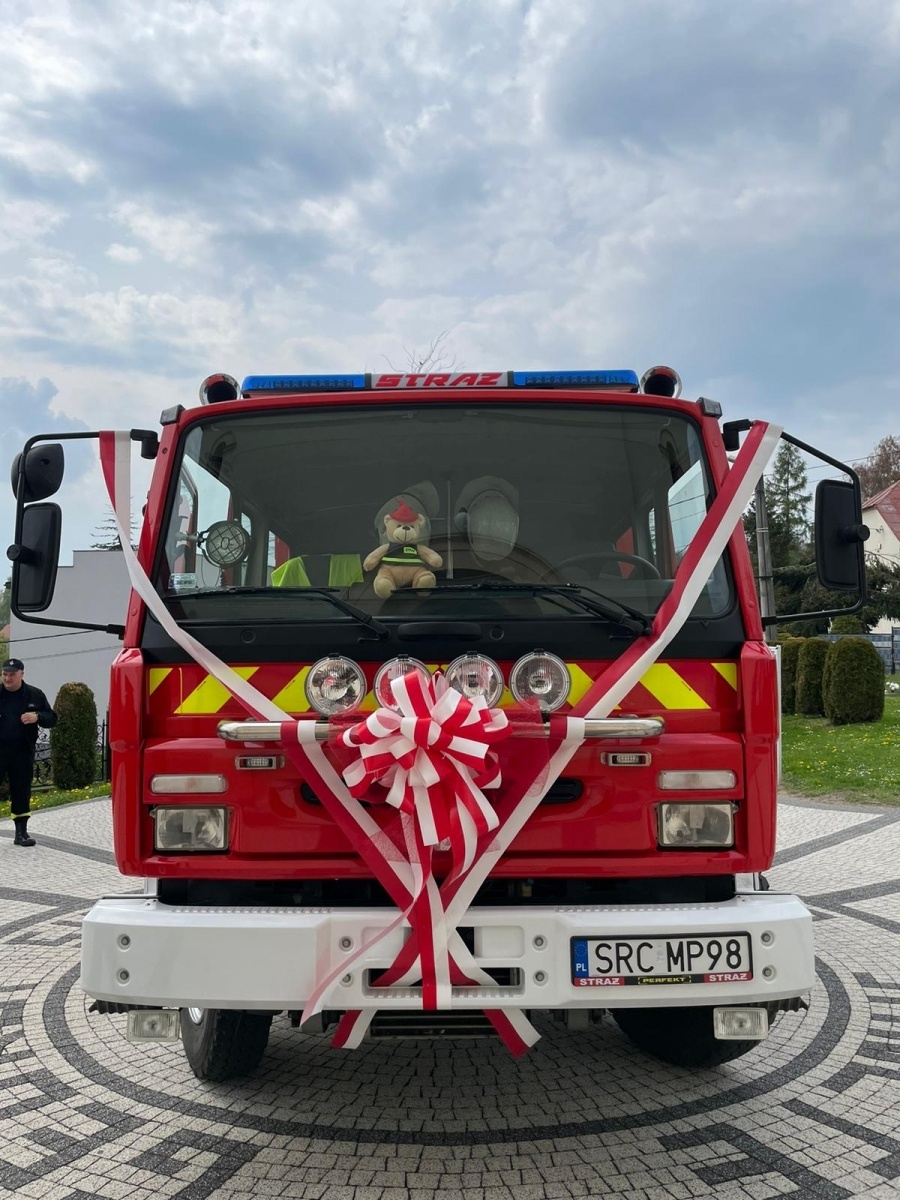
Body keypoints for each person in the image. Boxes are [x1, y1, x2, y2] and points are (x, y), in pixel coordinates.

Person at [0, 658, 57, 847]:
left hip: (22, 751)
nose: (8, 678)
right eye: (5, 674)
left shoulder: (34, 695)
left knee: (21, 791)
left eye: (12, 674)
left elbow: (52, 718)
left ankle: (21, 833)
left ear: (21, 674)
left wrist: (37, 717)